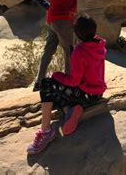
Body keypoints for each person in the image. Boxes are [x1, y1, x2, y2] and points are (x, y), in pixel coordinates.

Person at [27, 14, 107, 155]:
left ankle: (46, 131)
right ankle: (69, 109)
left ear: (76, 32)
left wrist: (57, 75)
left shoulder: (80, 51)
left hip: (84, 94)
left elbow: (74, 81)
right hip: (97, 94)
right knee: (57, 88)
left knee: (47, 85)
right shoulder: (99, 46)